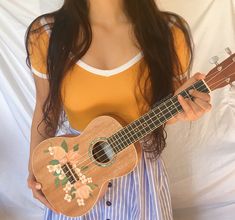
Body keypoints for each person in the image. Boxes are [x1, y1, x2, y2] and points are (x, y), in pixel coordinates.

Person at [25, 0, 211, 219]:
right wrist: (36, 171)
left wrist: (187, 110)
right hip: (72, 176)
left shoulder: (169, 33)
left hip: (141, 179)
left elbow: (166, 111)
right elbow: (46, 108)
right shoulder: (47, 35)